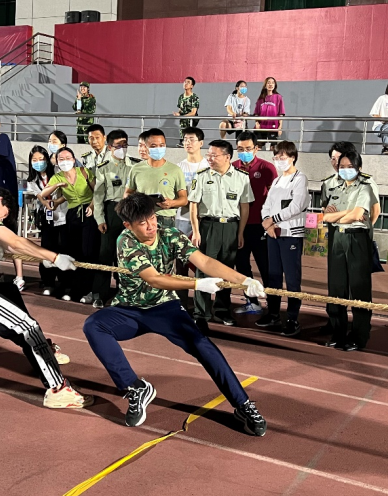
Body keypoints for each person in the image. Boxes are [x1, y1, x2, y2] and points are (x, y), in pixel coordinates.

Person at [82, 193, 267, 435]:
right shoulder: (125, 241)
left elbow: (205, 262)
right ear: (128, 225)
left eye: (152, 218)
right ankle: (135, 388)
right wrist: (197, 285)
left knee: (203, 346)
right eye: (142, 223)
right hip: (130, 309)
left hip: (165, 308)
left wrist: (244, 280)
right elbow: (154, 279)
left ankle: (243, 404)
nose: (151, 226)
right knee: (94, 325)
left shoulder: (170, 234)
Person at [0, 187, 92, 408]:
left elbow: (10, 246)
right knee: (28, 327)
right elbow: (15, 241)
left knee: (10, 292)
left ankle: (39, 349)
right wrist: (54, 257)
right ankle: (58, 390)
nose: (2, 219)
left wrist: (42, 258)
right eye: (5, 214)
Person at [188, 140, 253, 330]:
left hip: (231, 227)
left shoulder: (241, 177)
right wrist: (196, 231)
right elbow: (193, 205)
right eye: (208, 155)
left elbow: (245, 207)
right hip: (208, 227)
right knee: (203, 269)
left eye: (214, 155)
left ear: (227, 157)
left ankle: (222, 310)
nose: (209, 158)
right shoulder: (201, 176)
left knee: (226, 269)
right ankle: (201, 313)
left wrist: (240, 232)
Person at [322, 150, 377, 351]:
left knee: (359, 289)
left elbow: (356, 215)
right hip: (338, 239)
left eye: (350, 166)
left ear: (359, 167)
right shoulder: (336, 187)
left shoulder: (366, 186)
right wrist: (347, 214)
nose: (345, 170)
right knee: (337, 288)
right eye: (342, 167)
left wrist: (341, 216)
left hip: (357, 238)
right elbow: (326, 217)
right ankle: (338, 334)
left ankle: (359, 336)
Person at [258, 141, 309, 336]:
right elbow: (266, 205)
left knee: (292, 279)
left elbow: (296, 206)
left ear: (293, 157)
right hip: (273, 234)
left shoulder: (300, 179)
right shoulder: (277, 180)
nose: (279, 160)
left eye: (283, 157)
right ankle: (273, 313)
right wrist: (267, 222)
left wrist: (273, 220)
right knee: (273, 276)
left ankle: (292, 318)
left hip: (290, 235)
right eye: (276, 157)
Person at [38, 147, 99, 303]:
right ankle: (75, 288)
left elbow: (97, 191)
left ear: (73, 159)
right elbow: (42, 194)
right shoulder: (57, 177)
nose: (65, 161)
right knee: (74, 251)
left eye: (68, 158)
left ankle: (89, 289)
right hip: (72, 215)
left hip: (89, 213)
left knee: (88, 252)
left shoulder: (84, 172)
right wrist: (57, 187)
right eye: (61, 159)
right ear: (57, 162)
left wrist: (92, 205)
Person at [92, 130, 142, 308]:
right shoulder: (103, 167)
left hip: (130, 212)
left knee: (128, 254)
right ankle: (100, 294)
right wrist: (100, 219)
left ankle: (126, 294)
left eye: (125, 144)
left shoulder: (136, 166)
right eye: (118, 145)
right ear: (110, 147)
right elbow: (98, 196)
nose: (122, 148)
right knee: (105, 254)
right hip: (111, 212)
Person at [232, 131, 276, 316]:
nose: (244, 152)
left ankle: (273, 307)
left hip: (260, 226)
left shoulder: (267, 168)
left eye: (248, 148)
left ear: (256, 148)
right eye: (240, 149)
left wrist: (271, 222)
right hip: (239, 226)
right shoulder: (232, 167)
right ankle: (252, 302)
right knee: (242, 267)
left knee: (266, 267)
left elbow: (274, 197)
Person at [124, 129, 187, 229]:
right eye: (153, 146)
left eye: (162, 145)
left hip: (166, 219)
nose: (158, 148)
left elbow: (184, 199)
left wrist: (171, 203)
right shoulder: (136, 169)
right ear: (146, 147)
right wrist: (136, 203)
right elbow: (127, 193)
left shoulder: (175, 170)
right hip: (142, 218)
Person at [25, 146, 66, 297]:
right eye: (34, 160)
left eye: (41, 159)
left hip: (63, 215)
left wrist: (57, 202)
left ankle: (64, 283)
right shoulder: (32, 180)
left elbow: (67, 193)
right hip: (47, 217)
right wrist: (46, 204)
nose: (38, 162)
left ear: (47, 160)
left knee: (63, 248)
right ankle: (48, 282)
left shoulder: (58, 172)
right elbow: (40, 197)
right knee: (47, 248)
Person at [175, 127, 208, 237]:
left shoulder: (208, 166)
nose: (188, 142)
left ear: (201, 143)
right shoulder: (178, 167)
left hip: (203, 216)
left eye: (192, 139)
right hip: (183, 217)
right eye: (185, 139)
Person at [253, 77, 285, 151]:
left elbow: (281, 113)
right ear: (265, 85)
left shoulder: (278, 97)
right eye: (268, 83)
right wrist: (257, 123)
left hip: (273, 126)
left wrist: (280, 127)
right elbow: (256, 113)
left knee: (273, 147)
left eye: (272, 83)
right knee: (258, 146)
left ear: (275, 85)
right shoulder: (261, 98)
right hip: (262, 127)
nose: (270, 84)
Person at [172, 76, 200, 146]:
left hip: (191, 119)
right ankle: (182, 142)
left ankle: (188, 143)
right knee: (182, 130)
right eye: (185, 82)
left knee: (189, 131)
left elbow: (193, 112)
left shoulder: (194, 97)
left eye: (188, 82)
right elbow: (180, 109)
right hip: (182, 119)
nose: (185, 84)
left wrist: (183, 116)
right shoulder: (181, 97)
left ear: (192, 86)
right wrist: (178, 113)